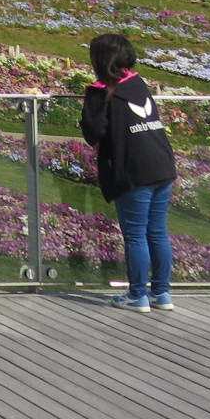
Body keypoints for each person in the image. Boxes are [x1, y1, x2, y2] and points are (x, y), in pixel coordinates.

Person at [80, 32, 178, 313]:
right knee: (157, 232)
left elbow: (95, 131)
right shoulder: (137, 82)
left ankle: (138, 295)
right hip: (162, 164)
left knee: (135, 235)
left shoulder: (100, 90)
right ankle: (162, 293)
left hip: (133, 169)